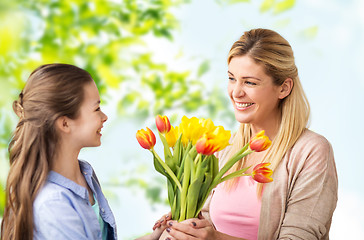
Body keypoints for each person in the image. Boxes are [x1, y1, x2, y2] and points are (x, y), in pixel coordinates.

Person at [161, 29, 338, 239]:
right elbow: (209, 221)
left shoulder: (311, 151)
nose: (236, 92)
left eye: (250, 82)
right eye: (231, 78)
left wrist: (216, 239)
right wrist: (186, 223)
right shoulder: (224, 148)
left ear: (284, 88)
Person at [0, 63, 167, 240]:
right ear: (65, 123)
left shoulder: (85, 174)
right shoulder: (54, 205)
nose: (104, 117)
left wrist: (154, 237)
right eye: (96, 109)